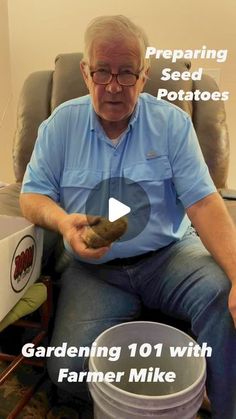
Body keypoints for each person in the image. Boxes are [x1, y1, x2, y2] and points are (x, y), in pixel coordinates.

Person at [19, 15, 236, 419]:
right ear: (86, 72)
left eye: (126, 73)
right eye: (103, 71)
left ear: (144, 74)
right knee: (66, 371)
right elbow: (32, 195)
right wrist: (65, 223)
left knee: (223, 294)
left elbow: (204, 202)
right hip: (94, 272)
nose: (114, 85)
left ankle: (225, 405)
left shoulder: (172, 124)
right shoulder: (60, 126)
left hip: (171, 256)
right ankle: (156, 390)